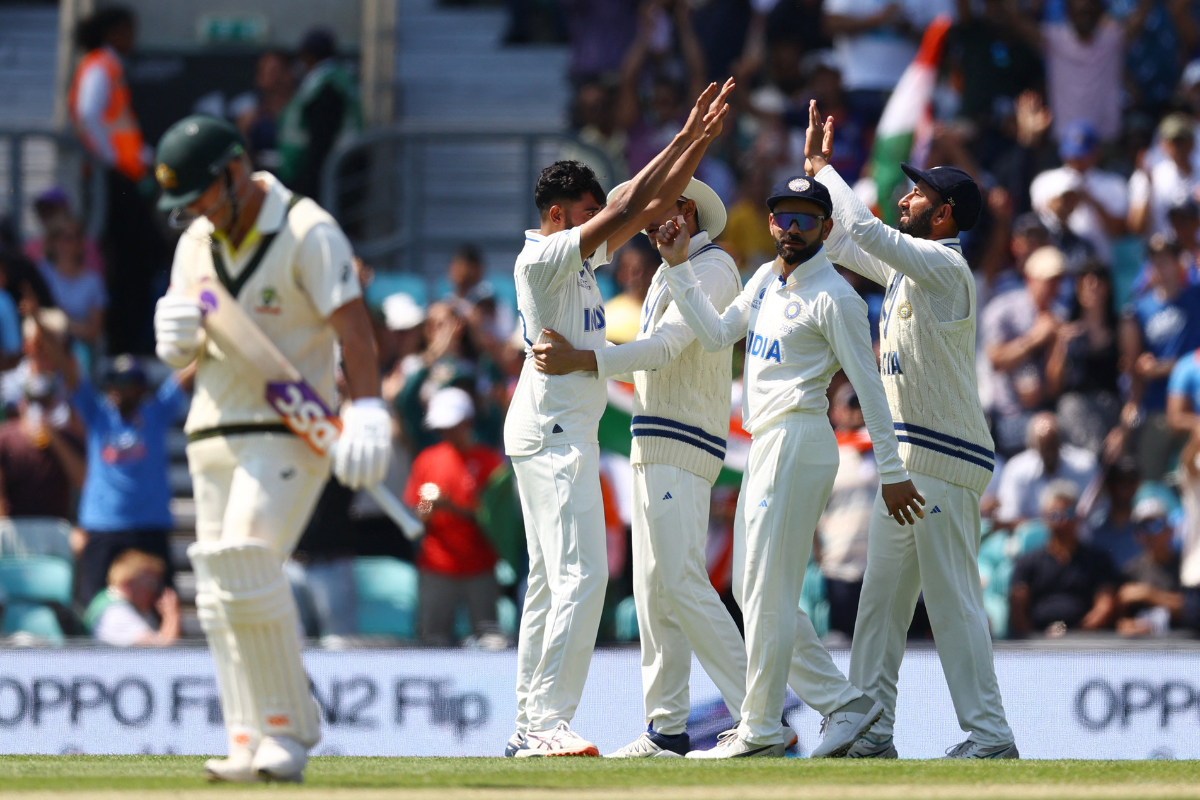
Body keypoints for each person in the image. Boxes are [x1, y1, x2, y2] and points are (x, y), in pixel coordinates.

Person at [151, 115, 391, 782]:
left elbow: (356, 330)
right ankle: (245, 735)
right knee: (217, 593)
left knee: (248, 561)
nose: (192, 212)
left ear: (233, 173)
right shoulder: (197, 241)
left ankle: (288, 729)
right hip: (211, 431)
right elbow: (187, 346)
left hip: (291, 427)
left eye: (198, 193)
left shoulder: (308, 229)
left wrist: (368, 409)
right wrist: (174, 341)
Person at [656, 171, 922, 758]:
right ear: (771, 221)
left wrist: (894, 469)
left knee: (767, 595)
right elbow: (718, 333)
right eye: (784, 216)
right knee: (757, 596)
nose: (793, 228)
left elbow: (870, 389)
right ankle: (848, 707)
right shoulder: (763, 281)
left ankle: (760, 728)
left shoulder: (838, 297)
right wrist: (677, 268)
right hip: (766, 442)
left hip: (800, 438)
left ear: (827, 228)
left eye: (807, 218)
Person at [504, 80, 733, 758]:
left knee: (553, 581)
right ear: (556, 214)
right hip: (553, 434)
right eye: (584, 214)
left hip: (551, 431)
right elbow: (633, 203)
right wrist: (690, 136)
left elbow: (650, 204)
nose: (599, 225)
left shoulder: (574, 263)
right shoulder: (546, 256)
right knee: (581, 577)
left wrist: (692, 148)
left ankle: (529, 723)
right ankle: (545, 722)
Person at [804, 100, 1017, 759]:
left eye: (917, 193)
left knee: (951, 600)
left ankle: (990, 736)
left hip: (946, 459)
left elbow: (863, 227)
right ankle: (870, 728)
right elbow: (839, 240)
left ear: (945, 213)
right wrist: (812, 187)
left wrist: (823, 167)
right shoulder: (907, 271)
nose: (905, 198)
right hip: (909, 461)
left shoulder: (947, 269)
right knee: (881, 603)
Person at [37, 331, 191, 609]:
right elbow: (69, 371)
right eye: (114, 384)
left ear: (141, 389)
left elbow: (185, 376)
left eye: (126, 384)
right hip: (103, 527)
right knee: (94, 607)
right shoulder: (97, 415)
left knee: (164, 605)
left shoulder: (156, 413)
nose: (118, 390)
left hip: (149, 526)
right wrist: (38, 323)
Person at [68, 5, 167, 355]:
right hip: (114, 179)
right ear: (113, 33)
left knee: (138, 256)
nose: (133, 39)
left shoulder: (108, 66)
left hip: (124, 174)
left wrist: (139, 155)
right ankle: (124, 340)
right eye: (128, 30)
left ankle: (130, 335)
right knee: (132, 256)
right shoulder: (101, 65)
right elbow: (88, 115)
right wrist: (115, 160)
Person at [404, 387, 505, 647]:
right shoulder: (427, 460)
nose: (447, 434)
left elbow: (495, 519)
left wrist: (451, 506)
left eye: (453, 426)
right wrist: (429, 507)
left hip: (479, 566)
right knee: (433, 638)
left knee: (488, 639)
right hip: (437, 567)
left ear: (468, 422)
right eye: (443, 428)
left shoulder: (489, 462)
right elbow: (417, 517)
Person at [1123, 235, 1200, 481]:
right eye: (1156, 261)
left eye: (1167, 260)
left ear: (1178, 263)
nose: (1161, 266)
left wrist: (1164, 368)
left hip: (1193, 406)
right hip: (1157, 405)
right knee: (1150, 477)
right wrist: (1141, 369)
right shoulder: (1140, 309)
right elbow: (1132, 364)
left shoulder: (1195, 298)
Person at [982, 246, 1066, 457]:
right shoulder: (1003, 309)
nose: (1054, 287)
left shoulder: (1058, 315)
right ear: (1030, 278)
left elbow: (1054, 386)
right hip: (1004, 415)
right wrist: (1035, 339)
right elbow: (996, 360)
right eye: (1048, 280)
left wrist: (1059, 345)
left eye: (1058, 280)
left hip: (1041, 412)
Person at [1009, 480, 1118, 637]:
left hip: (1085, 644)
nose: (1063, 521)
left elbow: (1105, 605)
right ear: (1045, 517)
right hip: (1037, 644)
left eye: (1069, 513)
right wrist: (1036, 640)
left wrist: (1075, 636)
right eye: (1055, 515)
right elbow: (1018, 608)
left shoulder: (1098, 560)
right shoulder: (1028, 562)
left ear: (1079, 515)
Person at [818, 384, 877, 639]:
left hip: (880, 562)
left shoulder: (887, 449)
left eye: (862, 405)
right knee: (844, 641)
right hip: (841, 561)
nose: (857, 412)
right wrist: (819, 553)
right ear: (836, 411)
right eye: (851, 405)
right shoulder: (825, 451)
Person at [276, 29, 362, 200]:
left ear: (308, 56)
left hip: (326, 174)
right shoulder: (338, 79)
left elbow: (321, 138)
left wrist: (310, 182)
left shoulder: (326, 86)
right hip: (340, 169)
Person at [995, 412, 1098, 527]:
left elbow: (1094, 513)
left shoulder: (1084, 465)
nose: (1049, 453)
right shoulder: (1016, 469)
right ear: (1033, 446)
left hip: (1076, 536)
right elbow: (1008, 516)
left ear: (1060, 441)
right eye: (1044, 447)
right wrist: (1046, 525)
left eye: (1052, 445)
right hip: (1033, 539)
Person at [1115, 497, 1185, 637]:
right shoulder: (1131, 570)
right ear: (1136, 535)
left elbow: (1192, 609)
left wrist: (1149, 594)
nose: (1150, 534)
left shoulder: (1186, 567)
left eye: (1156, 526)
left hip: (1184, 648)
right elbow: (1120, 620)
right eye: (1143, 528)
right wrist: (1129, 625)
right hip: (1142, 651)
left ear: (1170, 530)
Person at [84, 549, 180, 647]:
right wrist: (172, 616)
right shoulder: (116, 612)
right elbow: (159, 653)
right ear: (128, 583)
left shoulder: (133, 607)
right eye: (151, 584)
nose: (155, 591)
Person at [37, 217, 107, 346]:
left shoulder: (93, 281)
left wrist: (62, 324)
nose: (63, 243)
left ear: (80, 243)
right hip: (44, 345)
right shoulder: (40, 273)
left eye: (70, 238)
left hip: (79, 349)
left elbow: (94, 331)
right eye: (58, 237)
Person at [604, 242, 657, 345]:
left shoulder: (665, 310)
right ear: (621, 274)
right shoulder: (606, 316)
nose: (638, 277)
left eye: (644, 270)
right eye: (633, 271)